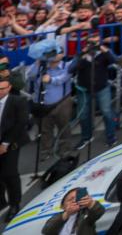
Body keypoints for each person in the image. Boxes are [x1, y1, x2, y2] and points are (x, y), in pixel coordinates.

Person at [27, 46, 75, 160]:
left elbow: (62, 78)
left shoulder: (67, 66)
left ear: (62, 55)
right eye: (52, 53)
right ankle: (46, 150)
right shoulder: (41, 66)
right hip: (43, 103)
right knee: (45, 129)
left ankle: (65, 149)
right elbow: (30, 76)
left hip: (62, 102)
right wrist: (38, 62)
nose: (54, 55)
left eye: (57, 53)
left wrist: (51, 80)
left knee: (63, 127)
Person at [0, 76, 30, 217]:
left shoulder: (18, 101)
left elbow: (21, 123)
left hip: (12, 143)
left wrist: (5, 143)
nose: (0, 91)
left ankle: (14, 204)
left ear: (9, 87)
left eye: (3, 88)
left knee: (10, 174)